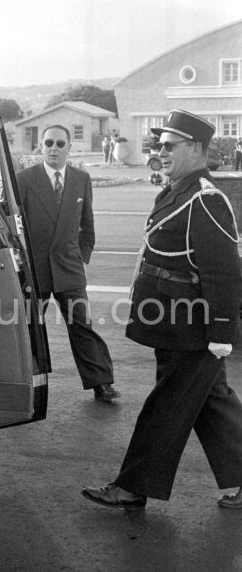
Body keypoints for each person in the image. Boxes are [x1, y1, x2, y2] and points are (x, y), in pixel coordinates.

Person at [82, 109, 242, 510]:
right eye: (158, 145)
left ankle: (132, 486)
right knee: (212, 401)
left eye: (168, 146)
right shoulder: (177, 191)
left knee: (166, 408)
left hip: (194, 330)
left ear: (195, 149)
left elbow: (223, 274)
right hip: (173, 323)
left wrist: (222, 335)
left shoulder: (206, 200)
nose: (160, 151)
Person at [16, 124, 121, 402]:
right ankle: (27, 382)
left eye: (60, 144)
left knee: (82, 326)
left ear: (69, 148)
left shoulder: (80, 179)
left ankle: (102, 383)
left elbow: (87, 224)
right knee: (29, 326)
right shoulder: (24, 179)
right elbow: (14, 224)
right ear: (40, 146)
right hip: (35, 270)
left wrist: (80, 255)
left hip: (69, 269)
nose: (54, 148)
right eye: (48, 142)